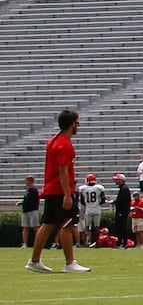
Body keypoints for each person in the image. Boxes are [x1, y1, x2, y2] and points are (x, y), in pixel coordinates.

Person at [26, 109, 90, 273]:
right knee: (67, 225)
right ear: (71, 124)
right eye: (76, 122)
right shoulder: (64, 145)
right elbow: (63, 171)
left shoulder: (53, 141)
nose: (78, 125)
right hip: (60, 191)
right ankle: (70, 262)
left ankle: (34, 260)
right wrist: (68, 194)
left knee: (47, 225)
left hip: (51, 189)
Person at [77, 174, 106, 247]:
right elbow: (103, 200)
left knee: (87, 227)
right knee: (97, 227)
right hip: (97, 210)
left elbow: (82, 201)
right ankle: (97, 242)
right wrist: (96, 204)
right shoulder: (99, 188)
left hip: (88, 210)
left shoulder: (83, 189)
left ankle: (87, 242)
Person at [110, 173, 132, 249]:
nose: (115, 181)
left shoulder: (124, 189)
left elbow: (122, 201)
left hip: (122, 211)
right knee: (121, 227)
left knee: (121, 227)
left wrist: (116, 202)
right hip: (122, 211)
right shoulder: (123, 188)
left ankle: (122, 243)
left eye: (117, 180)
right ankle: (121, 242)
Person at [20, 176, 40, 249]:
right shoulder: (28, 190)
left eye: (26, 181)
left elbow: (33, 201)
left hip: (32, 210)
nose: (25, 182)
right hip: (25, 211)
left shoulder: (34, 190)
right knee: (25, 227)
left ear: (30, 181)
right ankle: (25, 243)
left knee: (35, 227)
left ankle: (39, 242)